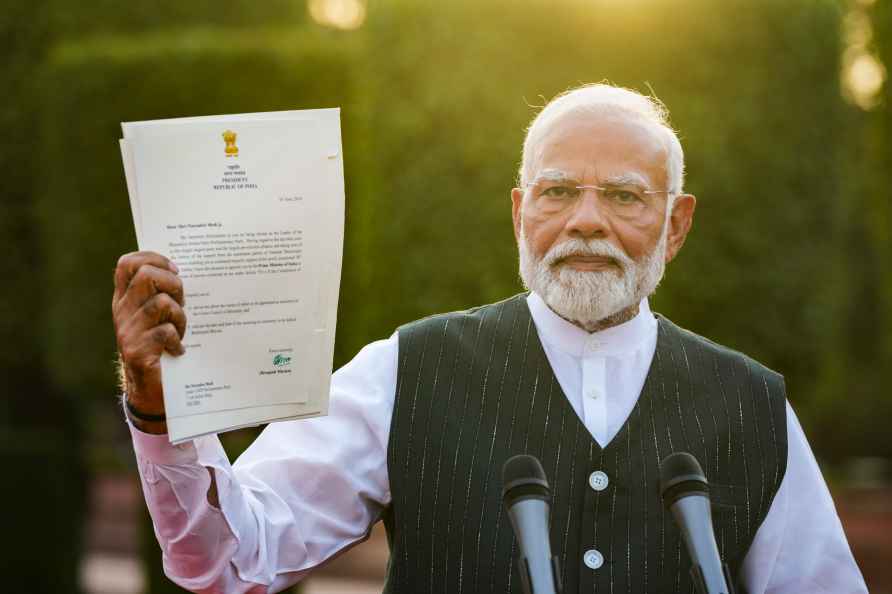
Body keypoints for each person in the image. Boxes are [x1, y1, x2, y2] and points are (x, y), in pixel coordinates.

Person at [113, 84, 868, 593]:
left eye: (625, 196)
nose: (586, 221)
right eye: (558, 191)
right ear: (519, 213)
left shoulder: (753, 406)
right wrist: (158, 409)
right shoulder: (407, 371)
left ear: (675, 225)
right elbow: (228, 561)